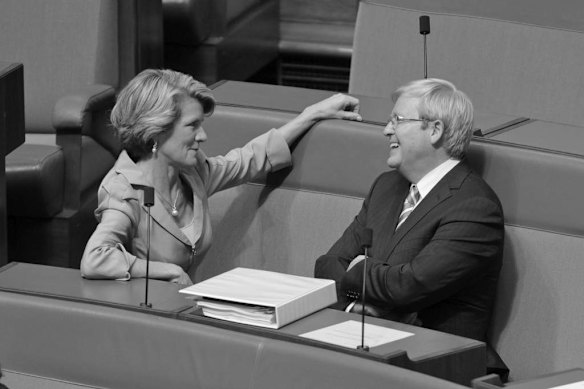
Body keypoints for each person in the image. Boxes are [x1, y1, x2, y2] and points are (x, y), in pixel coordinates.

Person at [81, 69, 361, 285]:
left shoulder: (192, 173)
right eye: (192, 126)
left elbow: (249, 159)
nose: (202, 136)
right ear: (156, 131)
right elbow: (95, 259)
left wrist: (310, 115)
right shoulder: (124, 190)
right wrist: (166, 271)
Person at [314, 78, 508, 379]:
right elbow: (328, 265)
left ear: (435, 130)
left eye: (398, 120)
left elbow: (410, 286)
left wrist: (361, 274)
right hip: (368, 350)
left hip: (440, 368)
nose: (386, 130)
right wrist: (358, 307)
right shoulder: (386, 187)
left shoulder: (475, 207)